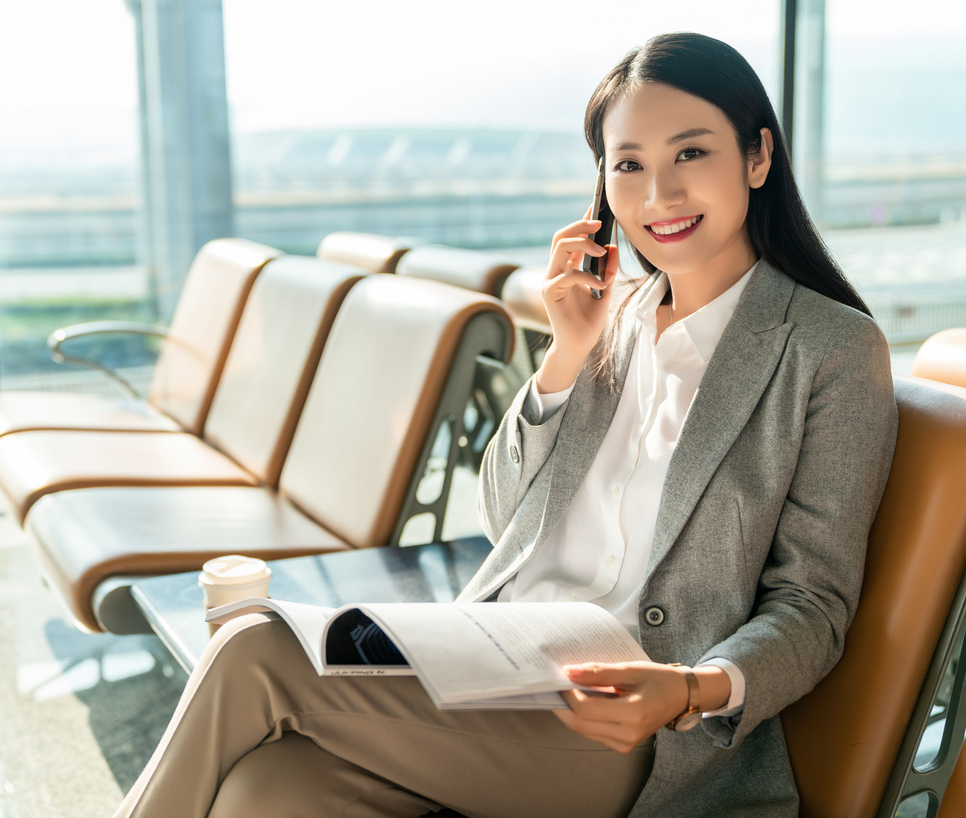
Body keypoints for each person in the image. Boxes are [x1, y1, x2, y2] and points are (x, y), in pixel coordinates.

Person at [113, 32, 897, 818]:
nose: (657, 193)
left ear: (758, 158)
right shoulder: (610, 321)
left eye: (690, 153)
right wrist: (565, 355)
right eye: (628, 164)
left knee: (257, 648)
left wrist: (691, 691)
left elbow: (813, 606)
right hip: (501, 664)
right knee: (268, 791)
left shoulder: (830, 350)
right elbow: (500, 517)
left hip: (640, 731)